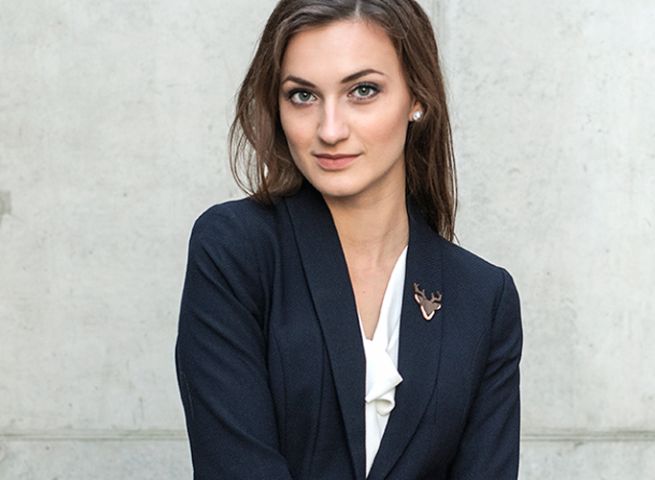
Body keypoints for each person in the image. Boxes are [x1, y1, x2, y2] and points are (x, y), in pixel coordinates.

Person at [173, 0, 523, 479]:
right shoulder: (236, 250)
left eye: (362, 90)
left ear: (417, 97)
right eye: (302, 96)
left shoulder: (482, 297)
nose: (329, 130)